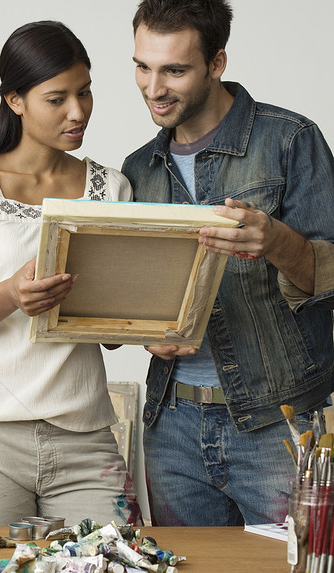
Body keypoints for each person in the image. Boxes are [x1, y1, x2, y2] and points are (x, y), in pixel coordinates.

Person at [122, 0, 334, 526]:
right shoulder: (137, 170)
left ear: (217, 64)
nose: (154, 88)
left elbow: (327, 279)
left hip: (278, 423)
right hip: (170, 426)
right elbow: (125, 294)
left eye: (174, 69)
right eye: (142, 67)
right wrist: (144, 330)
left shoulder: (290, 140)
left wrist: (276, 240)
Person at [0, 20, 140, 527]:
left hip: (85, 438)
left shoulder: (112, 188)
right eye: (57, 98)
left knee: (111, 561)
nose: (78, 111)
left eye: (85, 93)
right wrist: (11, 295)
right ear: (15, 100)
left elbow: (110, 338)